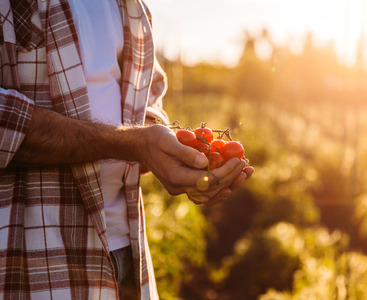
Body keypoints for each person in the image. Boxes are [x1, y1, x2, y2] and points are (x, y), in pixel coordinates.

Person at [0, 0, 254, 299]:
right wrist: (133, 143)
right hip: (34, 256)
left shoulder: (128, 4)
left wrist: (168, 149)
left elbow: (148, 93)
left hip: (127, 250)